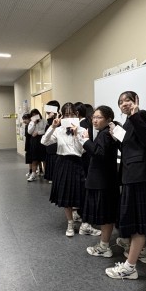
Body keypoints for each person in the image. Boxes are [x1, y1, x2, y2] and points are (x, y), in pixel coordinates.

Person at [105, 91, 146, 280]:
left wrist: (135, 115)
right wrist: (116, 137)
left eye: (127, 100)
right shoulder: (127, 121)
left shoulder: (140, 116)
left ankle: (130, 267)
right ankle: (142, 253)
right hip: (131, 175)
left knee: (138, 221)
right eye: (120, 102)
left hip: (139, 176)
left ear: (136, 101)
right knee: (134, 219)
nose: (124, 104)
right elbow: (130, 146)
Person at [42, 102, 97, 237]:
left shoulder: (82, 130)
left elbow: (83, 150)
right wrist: (53, 127)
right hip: (62, 163)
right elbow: (44, 141)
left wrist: (77, 134)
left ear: (76, 115)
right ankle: (70, 223)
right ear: (62, 116)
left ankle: (85, 224)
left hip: (77, 163)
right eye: (66, 115)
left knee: (82, 194)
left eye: (71, 114)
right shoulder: (59, 130)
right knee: (66, 195)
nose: (69, 117)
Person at [82, 106, 120, 258]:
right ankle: (105, 245)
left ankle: (104, 246)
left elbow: (98, 153)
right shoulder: (107, 132)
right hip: (105, 180)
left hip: (102, 181)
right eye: (94, 117)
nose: (94, 120)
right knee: (107, 215)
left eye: (99, 117)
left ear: (108, 119)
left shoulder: (105, 134)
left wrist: (85, 140)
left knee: (105, 216)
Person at [43, 101, 61, 184]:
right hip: (49, 144)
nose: (46, 110)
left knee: (54, 160)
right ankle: (51, 177)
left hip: (55, 145)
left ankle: (54, 178)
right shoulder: (50, 118)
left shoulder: (58, 118)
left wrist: (50, 119)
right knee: (50, 159)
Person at [27, 109, 46, 182]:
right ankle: (33, 175)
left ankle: (46, 174)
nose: (34, 116)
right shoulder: (31, 122)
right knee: (34, 158)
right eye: (33, 115)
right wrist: (34, 123)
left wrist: (38, 132)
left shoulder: (43, 120)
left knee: (44, 158)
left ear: (38, 114)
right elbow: (29, 132)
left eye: (36, 114)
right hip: (34, 140)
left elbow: (45, 130)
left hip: (42, 139)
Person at [22, 113, 33, 178]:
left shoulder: (32, 125)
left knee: (33, 159)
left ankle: (33, 171)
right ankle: (30, 171)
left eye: (25, 119)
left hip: (32, 143)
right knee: (29, 158)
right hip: (28, 143)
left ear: (29, 119)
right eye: (23, 119)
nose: (24, 121)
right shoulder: (27, 126)